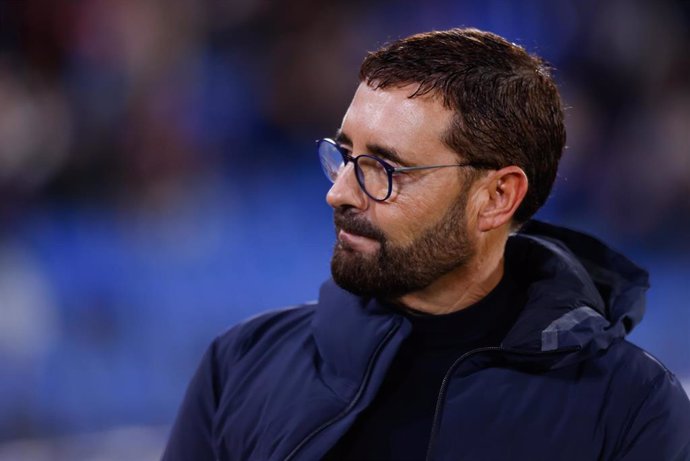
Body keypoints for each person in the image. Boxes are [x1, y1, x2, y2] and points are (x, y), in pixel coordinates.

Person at [162, 28, 690, 461]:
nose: (339, 192)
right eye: (346, 156)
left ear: (497, 197)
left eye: (385, 169)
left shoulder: (630, 408)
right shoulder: (240, 366)